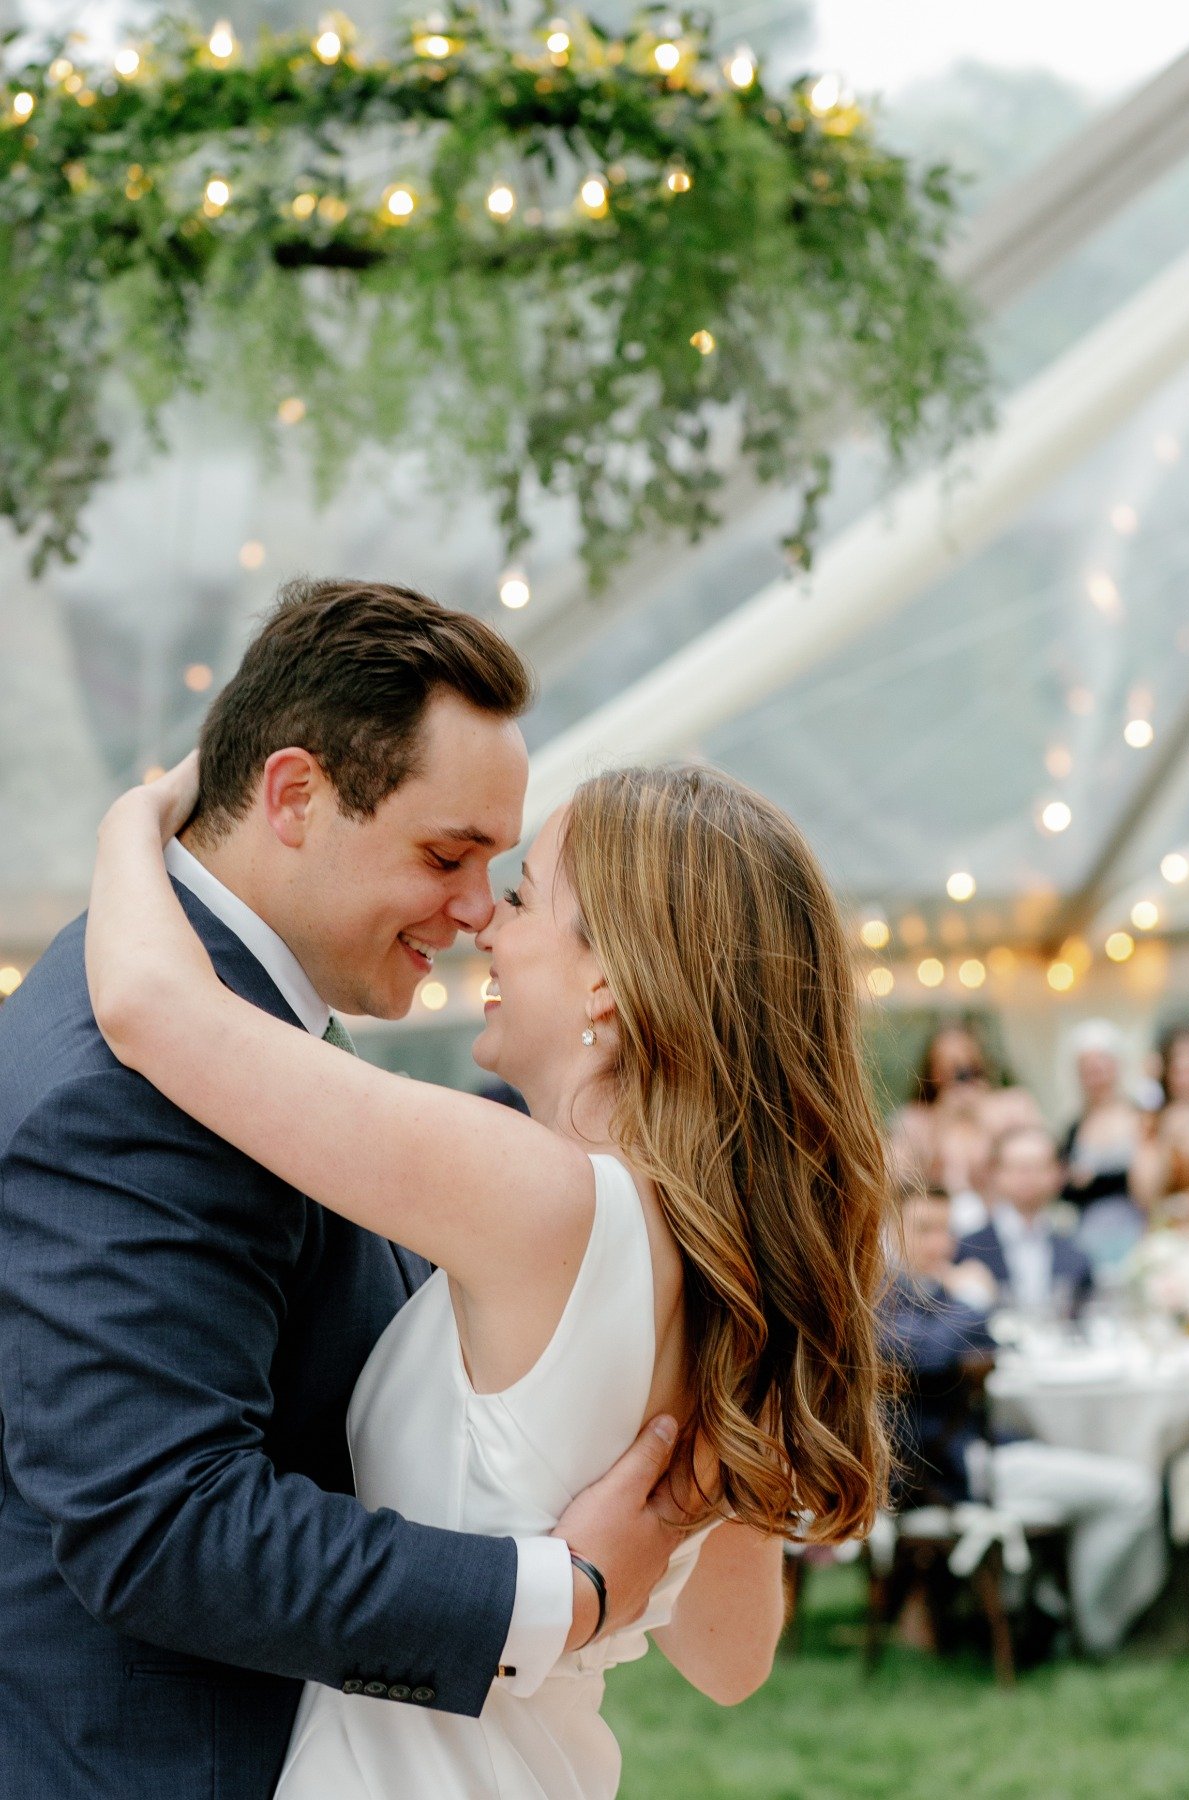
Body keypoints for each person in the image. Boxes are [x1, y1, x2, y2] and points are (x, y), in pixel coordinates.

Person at [81, 690, 890, 1787]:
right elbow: (731, 1660)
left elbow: (146, 1004)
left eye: (523, 897)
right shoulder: (716, 1262)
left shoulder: (539, 1197)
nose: (483, 925)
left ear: (609, 974)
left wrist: (139, 816)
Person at [0, 581, 723, 1800]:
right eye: (447, 855)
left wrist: (134, 824)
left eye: (503, 872)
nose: (476, 911)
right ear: (294, 796)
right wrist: (560, 1593)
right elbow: (157, 1524)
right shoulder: (130, 1087)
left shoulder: (227, 1017)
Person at [885, 1185, 1165, 1655]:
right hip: (950, 1476)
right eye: (924, 1231)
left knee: (1106, 1471)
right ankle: (1090, 1633)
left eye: (946, 1231)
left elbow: (982, 1340)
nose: (941, 1245)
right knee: (1135, 1490)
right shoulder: (879, 1300)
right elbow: (931, 1351)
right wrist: (973, 1300)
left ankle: (1053, 1608)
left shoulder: (928, 1295)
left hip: (981, 1456)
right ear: (887, 1233)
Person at [888, 1021, 1040, 1234]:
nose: (957, 1069)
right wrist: (941, 1122)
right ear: (931, 1069)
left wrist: (983, 1115)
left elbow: (1031, 1160)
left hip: (1006, 1221)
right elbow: (902, 1181)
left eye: (964, 1059)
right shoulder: (914, 1119)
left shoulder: (1014, 1104)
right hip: (943, 1226)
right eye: (946, 1063)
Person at [957, 1124, 1094, 1319]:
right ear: (994, 1173)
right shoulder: (968, 1249)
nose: (1028, 1177)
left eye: (1039, 1167)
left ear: (1059, 1173)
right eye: (1018, 1167)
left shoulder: (1076, 1254)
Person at [1059, 1020, 1143, 1213]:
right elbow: (1066, 1185)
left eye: (1102, 1066)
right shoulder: (1075, 1126)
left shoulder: (1140, 1116)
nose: (1097, 1076)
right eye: (1088, 1069)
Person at [1131, 1023, 1189, 1222]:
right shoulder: (1154, 1120)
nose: (1188, 1078)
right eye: (1179, 1069)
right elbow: (1144, 1195)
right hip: (1170, 1231)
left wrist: (1186, 1204)